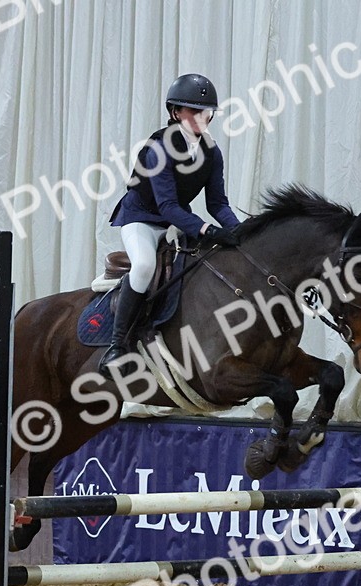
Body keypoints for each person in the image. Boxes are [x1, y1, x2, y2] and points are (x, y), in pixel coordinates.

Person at [102, 73, 242, 376]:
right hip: (141, 219)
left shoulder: (211, 152)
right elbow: (166, 205)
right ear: (175, 112)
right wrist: (205, 229)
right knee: (143, 267)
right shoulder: (159, 148)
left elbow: (217, 203)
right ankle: (117, 345)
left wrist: (238, 230)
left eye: (207, 113)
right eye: (193, 111)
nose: (201, 118)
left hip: (176, 221)